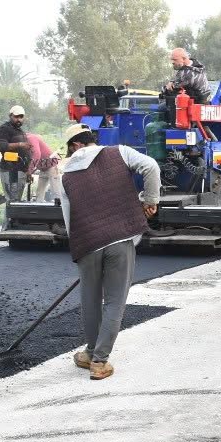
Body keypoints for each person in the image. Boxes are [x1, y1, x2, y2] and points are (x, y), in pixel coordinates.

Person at [55, 125, 160, 380]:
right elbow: (152, 167)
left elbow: (68, 217)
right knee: (114, 301)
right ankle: (100, 362)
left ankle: (91, 352)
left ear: (75, 146)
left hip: (88, 243)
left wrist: (79, 248)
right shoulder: (119, 152)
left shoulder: (65, 174)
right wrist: (150, 200)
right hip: (120, 239)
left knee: (90, 300)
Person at [0, 105, 33, 204]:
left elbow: (26, 152)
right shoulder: (4, 129)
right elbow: (1, 146)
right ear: (10, 116)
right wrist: (20, 144)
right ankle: (9, 219)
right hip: (10, 170)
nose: (19, 119)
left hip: (21, 170)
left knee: (17, 199)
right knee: (12, 200)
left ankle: (13, 218)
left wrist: (28, 171)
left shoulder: (20, 131)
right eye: (16, 117)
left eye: (21, 117)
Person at [23, 130, 59, 200]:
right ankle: (38, 209)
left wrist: (29, 171)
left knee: (56, 191)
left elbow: (37, 155)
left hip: (51, 166)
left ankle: (59, 209)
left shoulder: (31, 138)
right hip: (42, 168)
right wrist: (30, 173)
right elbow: (32, 159)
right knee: (39, 193)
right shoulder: (24, 143)